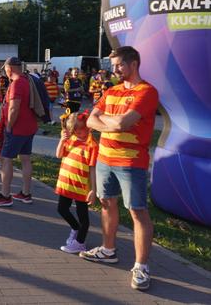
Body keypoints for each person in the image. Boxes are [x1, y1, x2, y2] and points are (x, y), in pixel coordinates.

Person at [81, 46, 158, 291]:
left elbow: (123, 123)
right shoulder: (111, 90)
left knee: (137, 212)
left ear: (133, 64)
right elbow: (90, 120)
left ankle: (141, 266)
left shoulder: (147, 92)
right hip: (105, 159)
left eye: (118, 65)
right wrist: (111, 124)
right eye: (112, 66)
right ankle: (108, 249)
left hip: (131, 162)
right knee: (106, 203)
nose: (113, 70)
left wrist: (109, 123)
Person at [0, 57, 37, 207]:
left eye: (6, 69)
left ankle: (5, 195)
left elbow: (14, 108)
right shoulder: (28, 80)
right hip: (29, 127)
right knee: (25, 158)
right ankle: (26, 193)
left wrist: (9, 126)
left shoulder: (16, 84)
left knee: (5, 159)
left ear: (9, 69)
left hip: (17, 128)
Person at [55, 111, 98, 254]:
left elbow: (92, 169)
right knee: (62, 209)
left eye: (81, 129)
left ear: (88, 127)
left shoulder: (91, 145)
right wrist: (62, 140)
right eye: (75, 130)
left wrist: (94, 189)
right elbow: (59, 154)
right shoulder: (70, 139)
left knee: (83, 217)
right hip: (66, 183)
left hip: (81, 186)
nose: (78, 132)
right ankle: (75, 228)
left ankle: (80, 242)